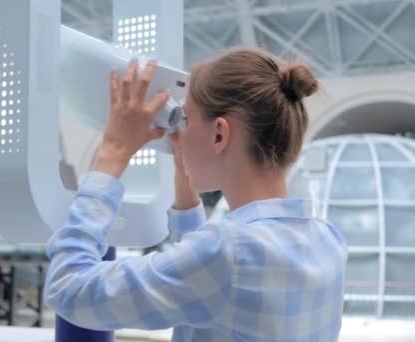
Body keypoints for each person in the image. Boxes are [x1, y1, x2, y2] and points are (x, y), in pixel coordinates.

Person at [44, 48, 348, 341]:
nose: (177, 133)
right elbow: (209, 288)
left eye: (185, 120)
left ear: (219, 134)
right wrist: (185, 182)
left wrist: (113, 151)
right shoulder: (327, 240)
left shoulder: (227, 253)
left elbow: (67, 289)